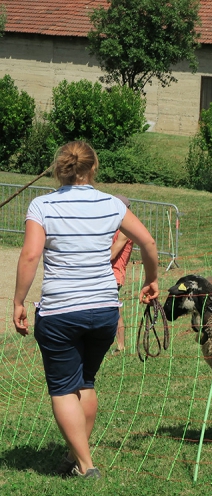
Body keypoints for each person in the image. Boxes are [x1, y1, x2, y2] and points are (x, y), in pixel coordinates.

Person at [13, 141, 159, 479]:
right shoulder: (111, 203)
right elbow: (148, 242)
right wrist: (151, 280)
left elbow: (31, 255)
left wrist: (19, 301)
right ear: (92, 168)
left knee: (63, 387)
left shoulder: (42, 205)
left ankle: (86, 465)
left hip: (60, 311)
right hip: (104, 309)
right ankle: (75, 456)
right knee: (86, 382)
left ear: (59, 169)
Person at [110, 195, 134, 352]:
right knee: (111, 309)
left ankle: (120, 345)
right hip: (106, 273)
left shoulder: (125, 230)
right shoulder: (115, 226)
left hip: (114, 274)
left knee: (114, 310)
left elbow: (112, 254)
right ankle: (117, 345)